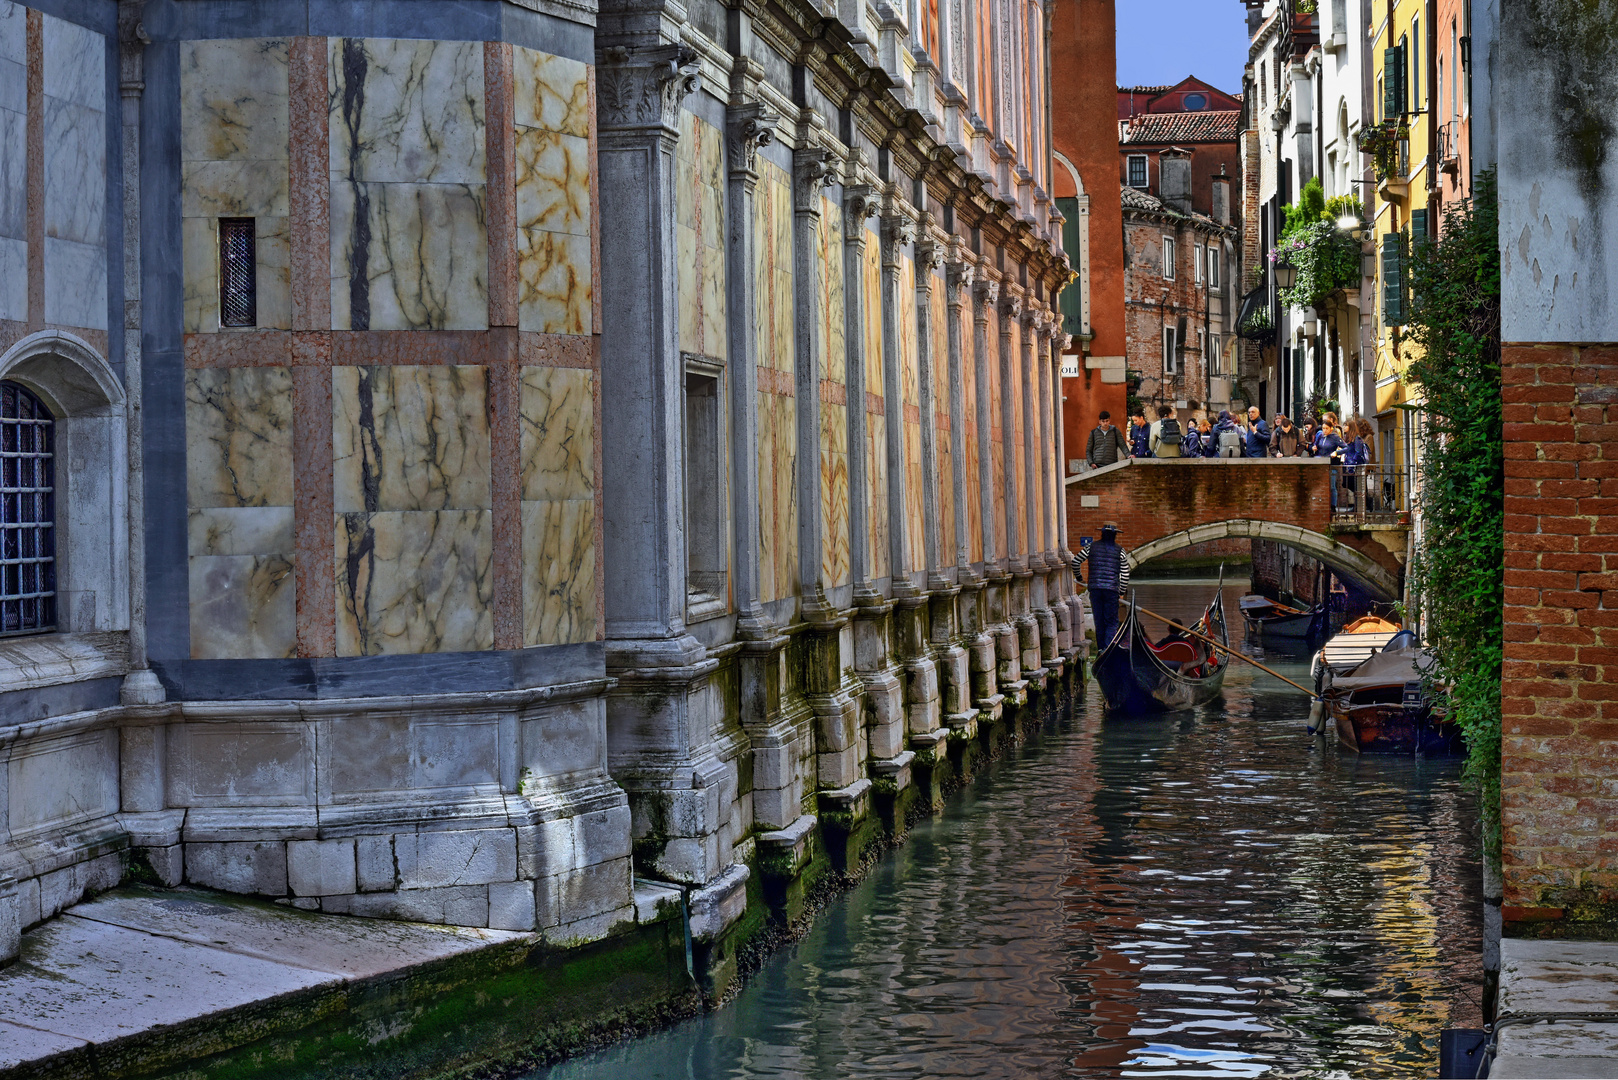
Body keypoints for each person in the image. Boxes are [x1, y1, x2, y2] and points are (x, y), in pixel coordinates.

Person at [1072, 521, 1130, 650]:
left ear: (1102, 533)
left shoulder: (1091, 547)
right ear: (1115, 535)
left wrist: (1079, 577)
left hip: (1095, 589)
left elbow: (1075, 562)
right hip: (1112, 591)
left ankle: (1101, 650)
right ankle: (1109, 649)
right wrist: (1121, 592)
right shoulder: (1120, 550)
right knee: (1111, 622)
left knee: (1099, 622)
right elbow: (1125, 574)